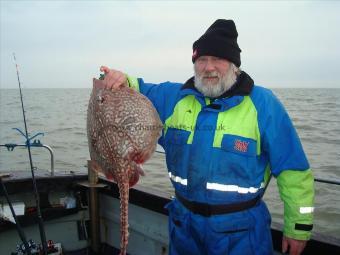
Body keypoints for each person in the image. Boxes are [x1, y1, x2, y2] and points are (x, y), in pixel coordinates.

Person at [100, 19, 314, 255]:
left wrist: (298, 227)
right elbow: (136, 89)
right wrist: (118, 79)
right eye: (201, 60)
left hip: (241, 235)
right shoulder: (173, 97)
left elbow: (293, 170)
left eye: (218, 59)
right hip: (184, 228)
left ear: (234, 64)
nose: (208, 67)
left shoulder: (263, 105)